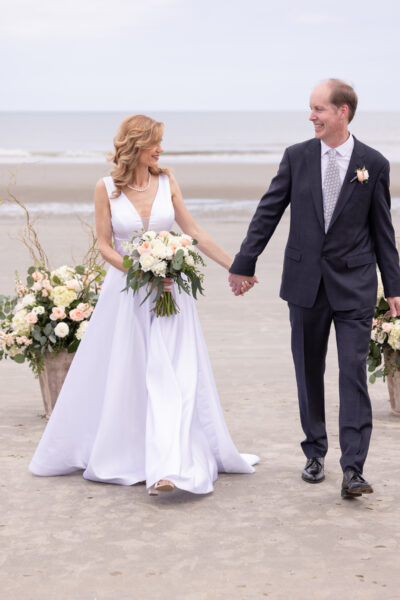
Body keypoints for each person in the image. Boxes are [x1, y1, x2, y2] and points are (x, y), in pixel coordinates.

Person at [29, 114, 258, 495]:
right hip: (127, 297)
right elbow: (104, 244)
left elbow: (193, 232)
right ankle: (136, 454)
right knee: (131, 375)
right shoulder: (106, 188)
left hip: (171, 295)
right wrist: (140, 270)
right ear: (137, 144)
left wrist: (237, 267)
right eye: (156, 143)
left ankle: (169, 467)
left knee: (176, 375)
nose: (162, 150)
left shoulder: (167, 182)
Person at [229, 79, 400, 499]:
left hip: (354, 285)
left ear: (343, 112)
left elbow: (383, 231)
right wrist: (243, 262)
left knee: (353, 374)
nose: (311, 117)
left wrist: (393, 285)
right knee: (309, 372)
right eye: (311, 109)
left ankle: (353, 469)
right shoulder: (297, 157)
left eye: (319, 109)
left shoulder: (372, 164)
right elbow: (268, 211)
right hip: (305, 284)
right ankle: (314, 451)